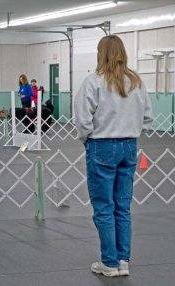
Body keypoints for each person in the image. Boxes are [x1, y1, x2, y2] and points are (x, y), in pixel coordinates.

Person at [74, 35, 153, 277]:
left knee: (103, 207)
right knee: (122, 207)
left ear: (101, 53)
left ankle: (108, 263)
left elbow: (82, 118)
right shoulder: (137, 81)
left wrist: (86, 138)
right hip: (129, 146)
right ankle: (122, 261)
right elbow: (148, 118)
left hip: (102, 146)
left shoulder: (93, 81)